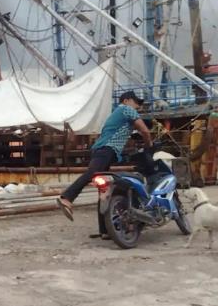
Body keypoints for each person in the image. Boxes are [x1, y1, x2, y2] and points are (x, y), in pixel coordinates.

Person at [58, 91, 152, 237]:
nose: (138, 107)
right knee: (92, 174)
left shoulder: (118, 114)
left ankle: (105, 230)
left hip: (104, 150)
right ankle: (67, 197)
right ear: (126, 100)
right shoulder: (126, 110)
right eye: (136, 103)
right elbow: (144, 130)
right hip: (106, 149)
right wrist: (149, 144)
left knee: (105, 191)